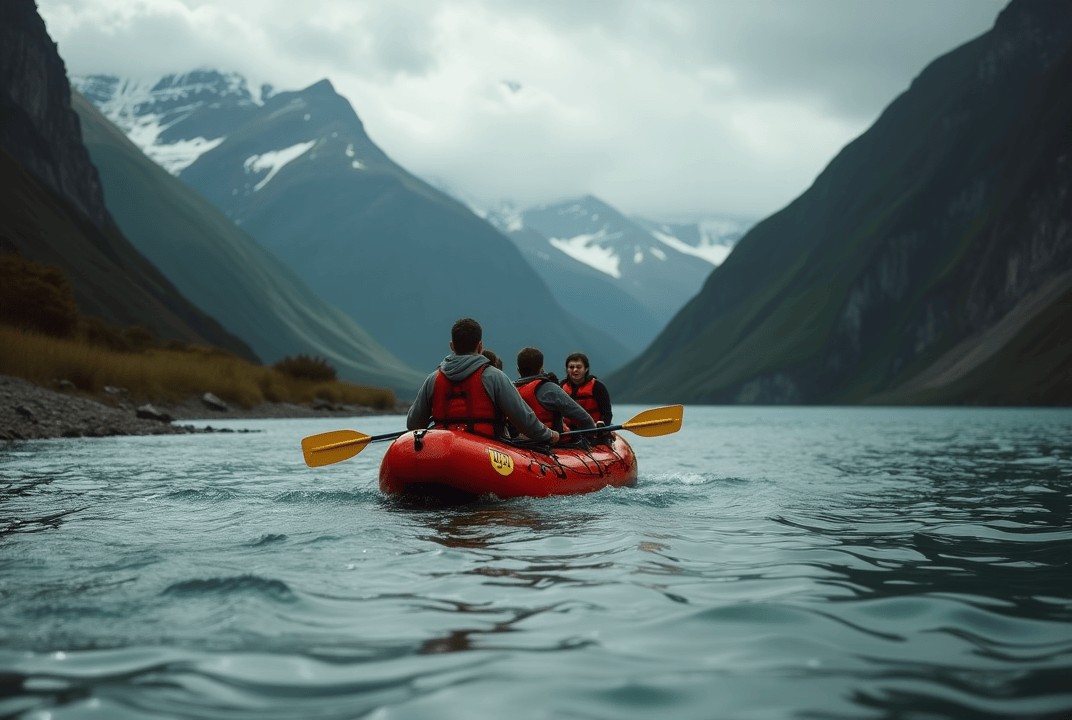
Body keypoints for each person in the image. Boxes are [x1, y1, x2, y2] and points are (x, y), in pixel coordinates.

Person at [407, 318, 560, 443]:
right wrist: (549, 435)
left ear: (452, 346)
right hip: (487, 451)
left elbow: (413, 424)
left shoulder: (433, 379)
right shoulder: (494, 377)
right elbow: (524, 420)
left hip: (440, 450)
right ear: (480, 347)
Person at [513, 346, 596, 435]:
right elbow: (583, 418)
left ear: (518, 370)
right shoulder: (548, 388)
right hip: (551, 442)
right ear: (542, 368)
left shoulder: (510, 390)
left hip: (518, 441)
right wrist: (594, 434)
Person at [561, 352, 612, 426]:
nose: (575, 370)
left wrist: (604, 428)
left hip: (594, 431)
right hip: (568, 432)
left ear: (586, 369)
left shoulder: (598, 387)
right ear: (567, 369)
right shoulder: (560, 387)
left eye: (579, 367)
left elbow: (607, 414)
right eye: (571, 367)